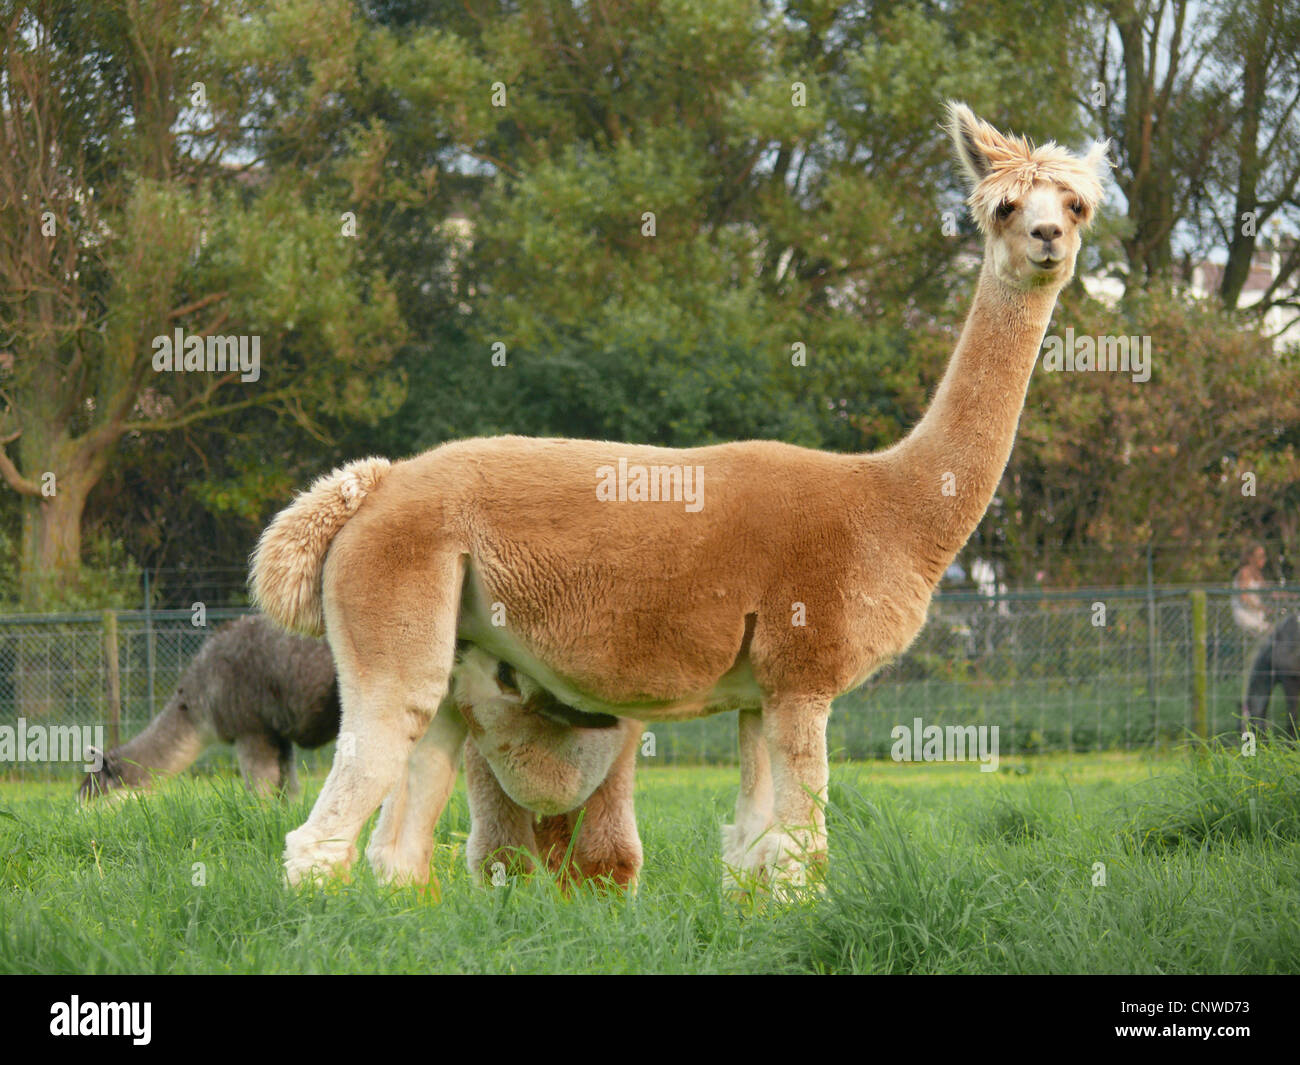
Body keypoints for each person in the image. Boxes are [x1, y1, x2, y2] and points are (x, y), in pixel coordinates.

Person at [1232, 542, 1273, 637]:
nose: (1264, 559)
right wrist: (1261, 608)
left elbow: (1269, 592)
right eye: (1260, 556)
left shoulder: (1258, 574)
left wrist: (1292, 595)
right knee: (1274, 633)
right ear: (1250, 558)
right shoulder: (1244, 573)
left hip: (1257, 614)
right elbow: (1244, 597)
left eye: (1264, 556)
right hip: (1246, 614)